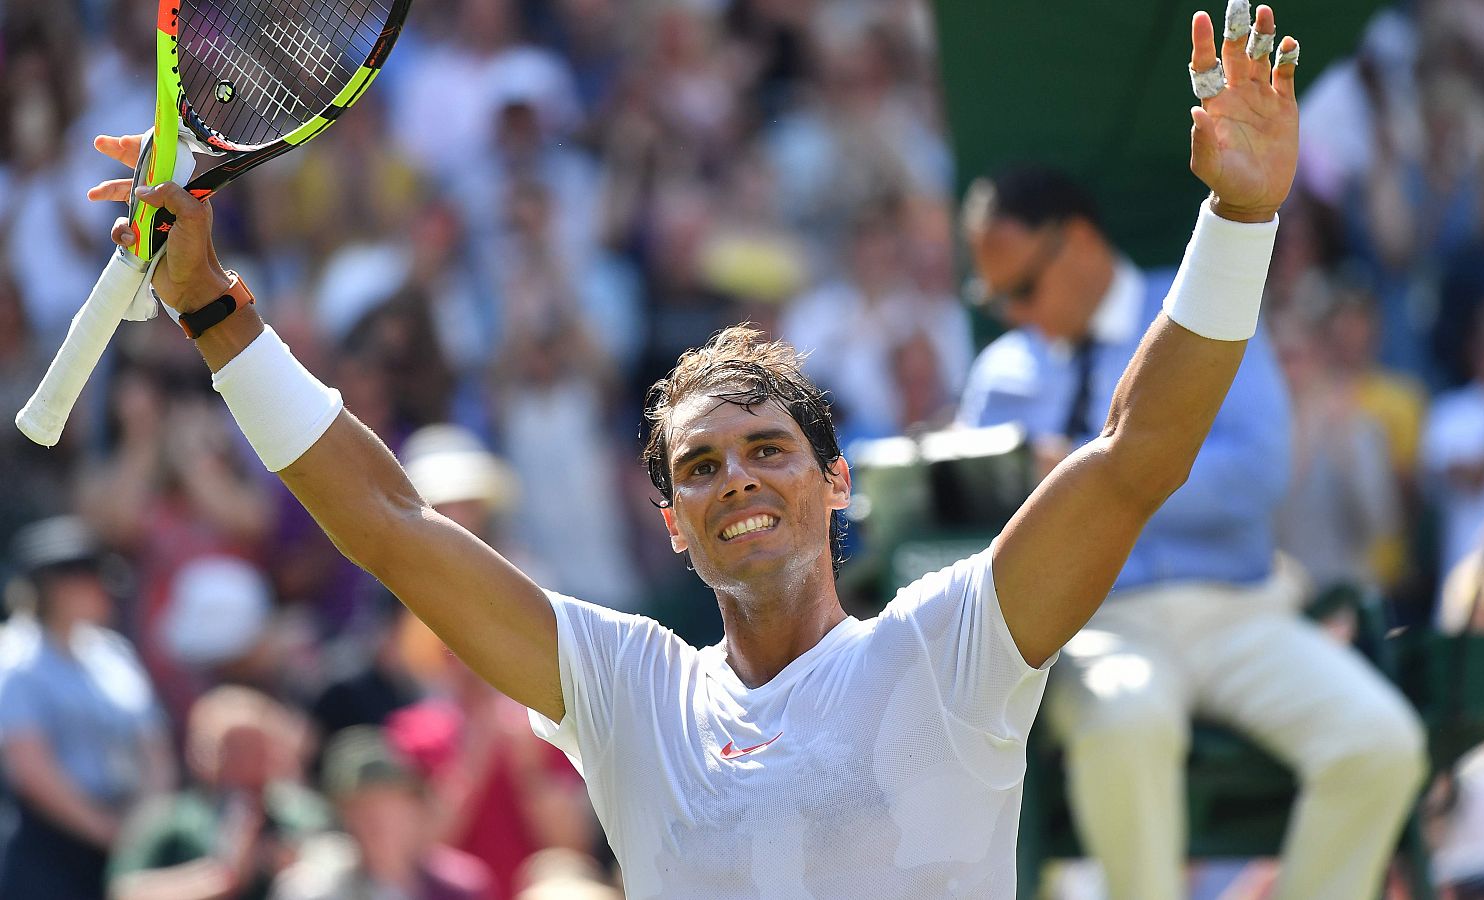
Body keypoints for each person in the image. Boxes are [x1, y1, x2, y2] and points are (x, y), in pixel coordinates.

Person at [87, 2, 1300, 894]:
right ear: (669, 522)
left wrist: (1238, 217)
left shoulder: (950, 646)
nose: (738, 481)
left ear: (836, 481)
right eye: (701, 469)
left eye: (768, 450)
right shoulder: (627, 690)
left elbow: (1135, 454)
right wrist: (212, 312)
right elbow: (394, 528)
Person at [956, 92, 1422, 900]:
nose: (1016, 316)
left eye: (1023, 288)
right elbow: (969, 520)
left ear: (1076, 246)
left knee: (1380, 740)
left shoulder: (1202, 313)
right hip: (1094, 625)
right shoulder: (1001, 377)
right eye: (998, 302)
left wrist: (1094, 478)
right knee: (1127, 716)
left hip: (1238, 609)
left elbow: (1258, 474)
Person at [0, 516, 175, 899]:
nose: (102, 588)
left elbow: (153, 746)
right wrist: (107, 830)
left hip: (129, 836)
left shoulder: (112, 651)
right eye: (85, 577)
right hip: (49, 845)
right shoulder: (16, 657)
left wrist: (144, 828)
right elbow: (30, 769)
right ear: (52, 586)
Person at [108, 686, 332, 900]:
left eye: (259, 749)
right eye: (236, 749)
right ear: (201, 754)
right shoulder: (168, 822)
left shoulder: (302, 816)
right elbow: (125, 893)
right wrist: (221, 878)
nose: (248, 763)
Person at [269, 726, 494, 900]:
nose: (378, 822)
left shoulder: (459, 886)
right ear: (345, 815)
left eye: (391, 806)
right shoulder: (316, 888)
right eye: (362, 809)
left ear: (416, 809)